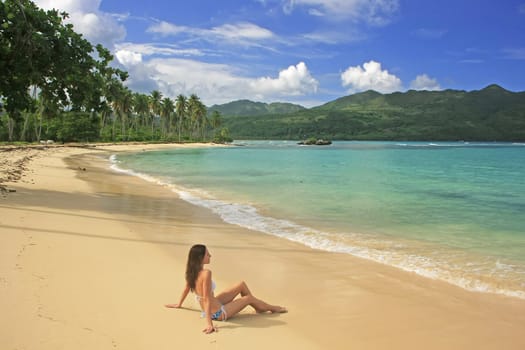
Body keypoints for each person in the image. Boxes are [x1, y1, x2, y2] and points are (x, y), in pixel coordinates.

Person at [165, 244, 287, 334]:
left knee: (241, 284)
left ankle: (258, 307)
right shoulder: (206, 273)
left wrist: (179, 304)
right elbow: (207, 299)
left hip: (214, 305)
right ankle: (271, 308)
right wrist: (209, 324)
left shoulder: (192, 272)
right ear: (200, 258)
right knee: (248, 298)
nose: (210, 255)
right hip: (218, 313)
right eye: (207, 254)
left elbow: (186, 288)